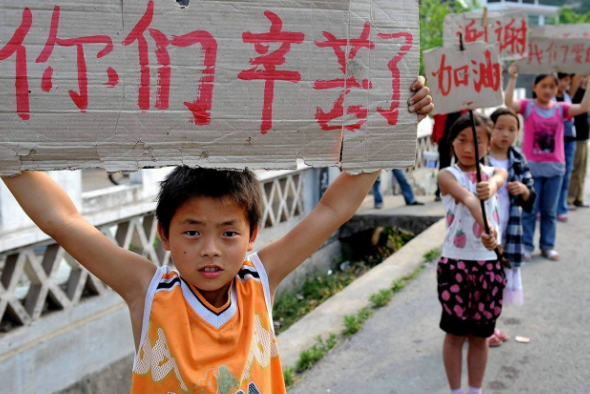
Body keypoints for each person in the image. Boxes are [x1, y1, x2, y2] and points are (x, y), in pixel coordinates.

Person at [0, 80, 433, 393]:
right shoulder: (148, 291)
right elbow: (64, 220)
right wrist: (7, 149)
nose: (210, 248)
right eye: (192, 231)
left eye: (228, 232)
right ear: (164, 235)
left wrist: (394, 124)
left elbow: (333, 208)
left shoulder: (258, 281)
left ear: (252, 236)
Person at [436, 113, 507, 394]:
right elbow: (466, 198)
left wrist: (489, 187)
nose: (468, 148)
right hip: (454, 264)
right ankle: (456, 391)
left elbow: (498, 179)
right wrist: (488, 231)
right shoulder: (446, 175)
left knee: (481, 336)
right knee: (454, 334)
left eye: (476, 142)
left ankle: (474, 390)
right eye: (461, 140)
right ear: (451, 142)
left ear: (489, 144)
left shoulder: (493, 175)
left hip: (489, 266)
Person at [504, 64, 590, 261]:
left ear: (556, 89)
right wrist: (513, 78)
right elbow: (509, 102)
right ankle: (526, 246)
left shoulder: (561, 109)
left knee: (550, 212)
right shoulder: (528, 106)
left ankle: (547, 246)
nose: (548, 90)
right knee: (529, 211)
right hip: (531, 170)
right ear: (535, 88)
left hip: (555, 169)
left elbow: (584, 107)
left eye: (552, 86)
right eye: (543, 85)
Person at [486, 108, 536, 347]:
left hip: (510, 229)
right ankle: (482, 329)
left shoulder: (517, 157)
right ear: (490, 129)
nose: (505, 133)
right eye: (500, 128)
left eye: (512, 129)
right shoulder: (481, 158)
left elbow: (530, 194)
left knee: (499, 279)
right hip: (486, 228)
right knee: (484, 277)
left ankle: (490, 325)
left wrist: (523, 190)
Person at [554, 73, 577, 222]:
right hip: (554, 140)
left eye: (567, 80)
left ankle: (561, 208)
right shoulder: (548, 98)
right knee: (552, 175)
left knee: (566, 174)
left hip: (569, 139)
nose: (564, 83)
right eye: (562, 80)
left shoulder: (568, 95)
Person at [568, 74, 590, 209]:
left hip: (584, 137)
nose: (584, 80)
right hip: (575, 137)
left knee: (582, 171)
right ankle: (569, 199)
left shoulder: (586, 93)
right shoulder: (572, 94)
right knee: (574, 169)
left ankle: (578, 198)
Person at [433, 111, 464, 201]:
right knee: (443, 166)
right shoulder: (443, 102)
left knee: (460, 165)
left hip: (461, 138)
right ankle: (441, 190)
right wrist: (435, 136)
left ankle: (459, 190)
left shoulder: (463, 102)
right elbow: (437, 119)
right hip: (445, 137)